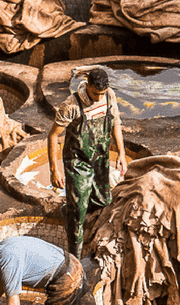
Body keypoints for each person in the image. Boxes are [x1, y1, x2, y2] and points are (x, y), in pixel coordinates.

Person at [48, 67, 127, 259]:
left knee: (103, 201)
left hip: (100, 157)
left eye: (101, 93)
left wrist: (121, 153)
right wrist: (54, 170)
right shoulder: (71, 105)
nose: (99, 98)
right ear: (87, 86)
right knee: (78, 214)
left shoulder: (109, 95)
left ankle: (74, 211)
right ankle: (74, 257)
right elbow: (53, 136)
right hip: (78, 161)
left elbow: (115, 122)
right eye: (95, 93)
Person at [0, 236, 85, 305]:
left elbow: (13, 300)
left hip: (67, 277)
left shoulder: (7, 260)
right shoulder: (3, 247)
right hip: (71, 262)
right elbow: (4, 282)